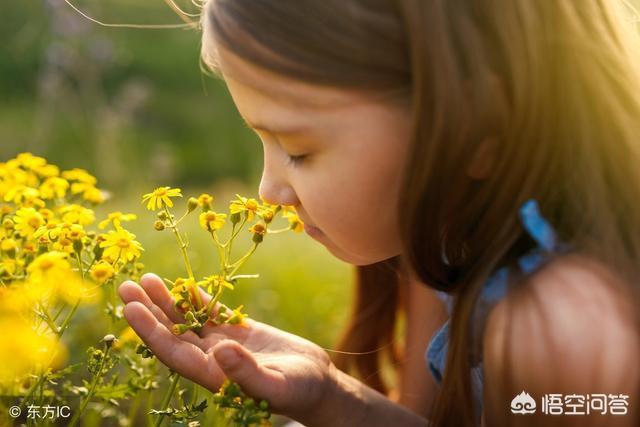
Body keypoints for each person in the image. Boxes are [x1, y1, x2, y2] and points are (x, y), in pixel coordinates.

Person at [118, 1, 640, 425]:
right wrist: (326, 396)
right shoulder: (448, 245)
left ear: (479, 128)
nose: (269, 190)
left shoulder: (563, 329)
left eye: (297, 149)